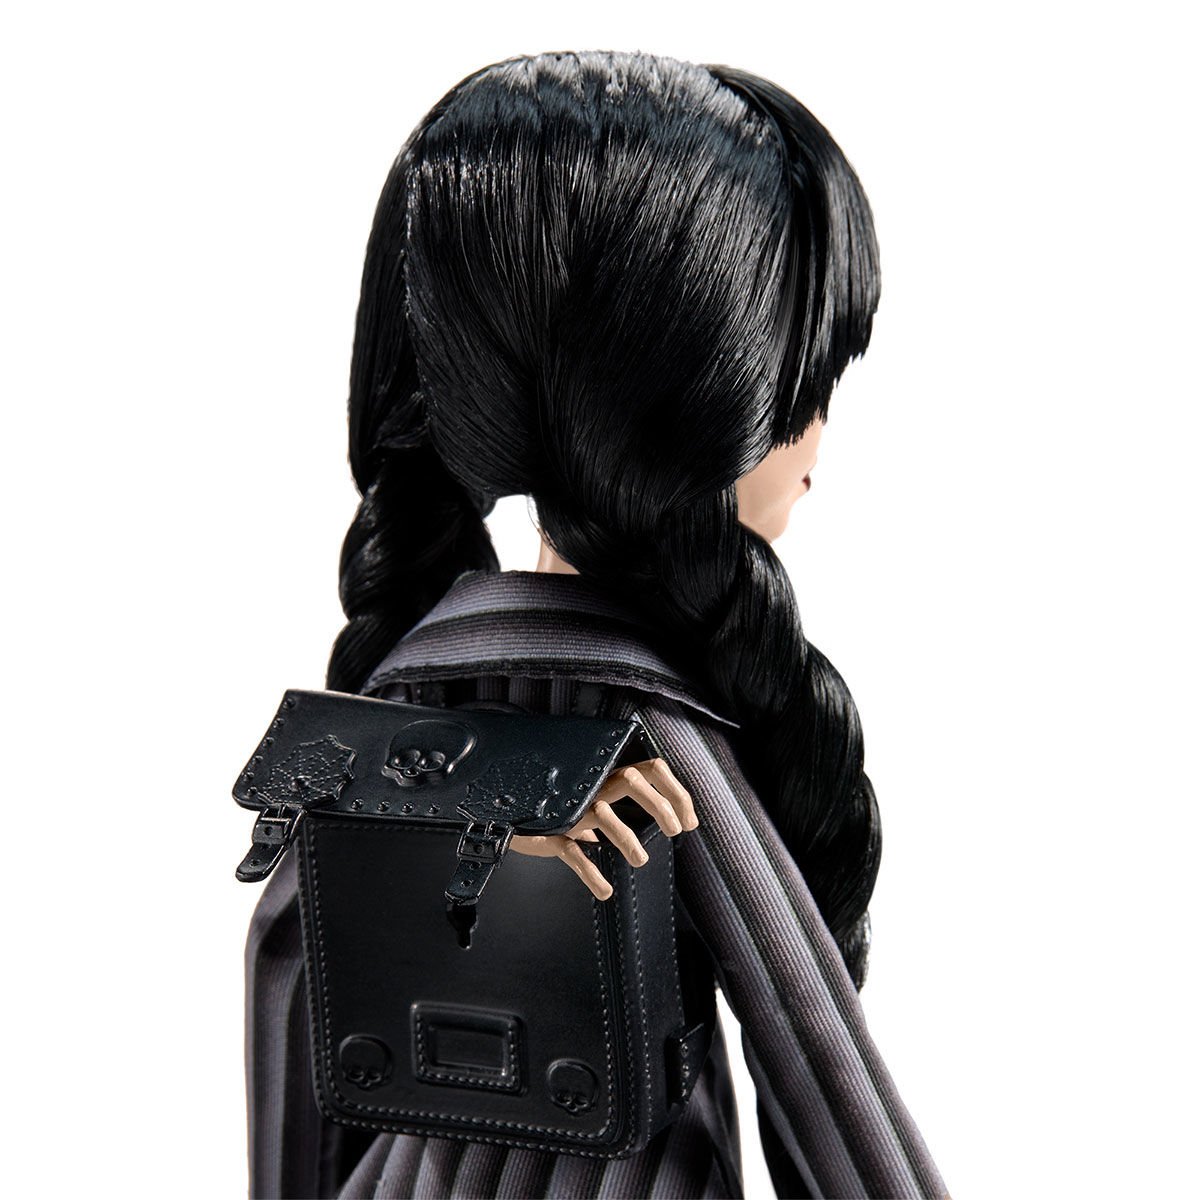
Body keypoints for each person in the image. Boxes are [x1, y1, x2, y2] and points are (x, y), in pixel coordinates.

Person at [244, 49, 949, 1199]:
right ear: (693, 400)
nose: (816, 441)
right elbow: (806, 1038)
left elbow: (288, 969)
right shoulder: (651, 730)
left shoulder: (400, 695)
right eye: (798, 389)